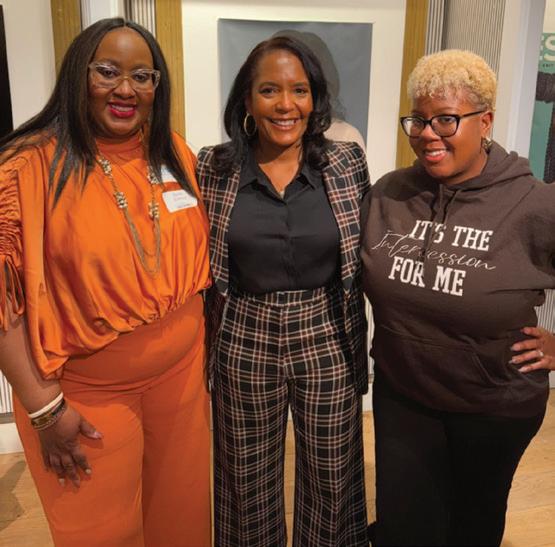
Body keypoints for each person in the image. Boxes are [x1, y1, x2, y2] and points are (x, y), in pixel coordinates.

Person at [0, 18, 211, 547]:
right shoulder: (27, 165)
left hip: (181, 382)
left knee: (183, 523)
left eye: (142, 76)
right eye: (108, 72)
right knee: (103, 535)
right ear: (79, 74)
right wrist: (43, 408)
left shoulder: (172, 152)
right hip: (86, 395)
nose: (125, 89)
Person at [361, 49, 555, 546]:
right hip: (403, 395)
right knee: (404, 526)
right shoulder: (389, 194)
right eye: (419, 120)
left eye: (446, 119)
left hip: (493, 404)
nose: (428, 134)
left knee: (471, 527)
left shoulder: (533, 204)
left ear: (484, 121)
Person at [196, 36, 370, 547]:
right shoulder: (213, 167)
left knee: (334, 476)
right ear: (247, 101)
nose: (285, 104)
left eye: (299, 90)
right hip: (243, 333)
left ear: (314, 99)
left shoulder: (345, 163)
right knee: (245, 482)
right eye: (269, 90)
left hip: (327, 332)